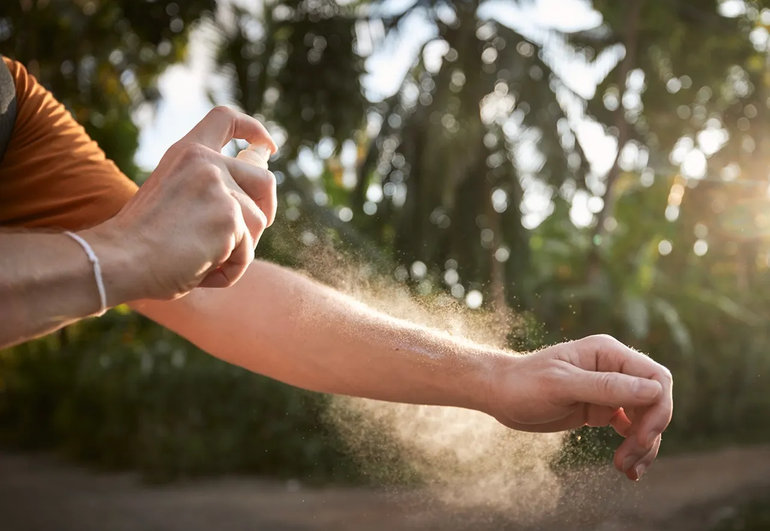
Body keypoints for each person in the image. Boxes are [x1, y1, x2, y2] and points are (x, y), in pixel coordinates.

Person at [0, 56, 671, 482]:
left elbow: (215, 294)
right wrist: (122, 255)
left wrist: (500, 374)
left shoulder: (17, 108)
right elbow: (133, 256)